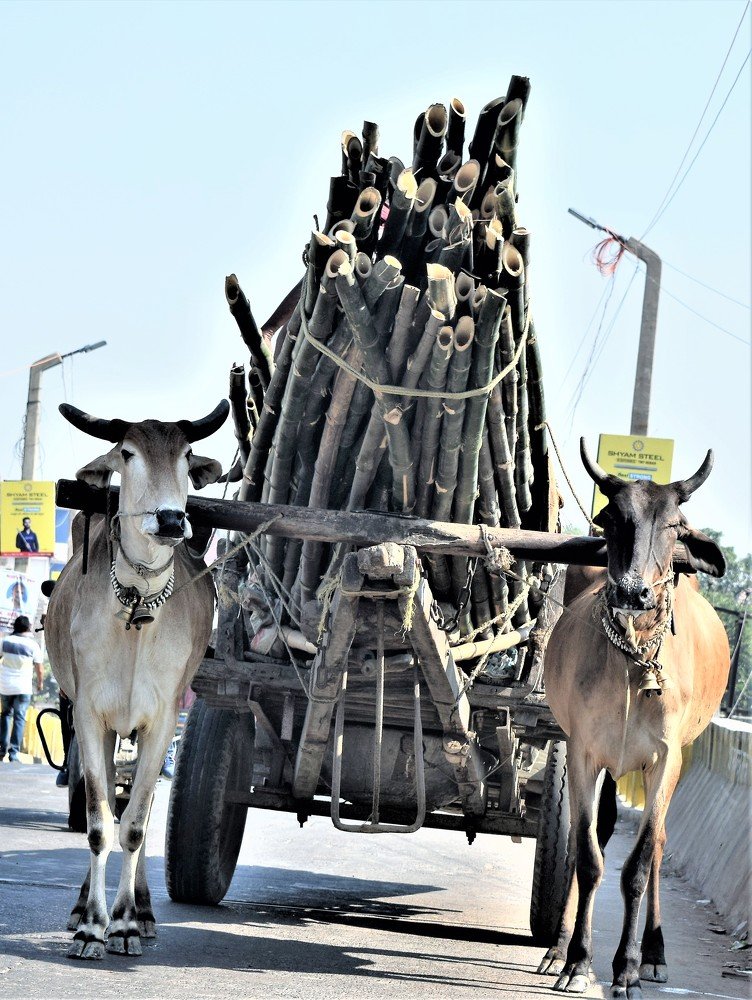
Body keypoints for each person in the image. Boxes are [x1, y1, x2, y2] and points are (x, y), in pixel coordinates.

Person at [0, 615, 44, 763]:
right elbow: (39, 667)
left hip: (5, 686)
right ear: (28, 627)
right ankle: (13, 753)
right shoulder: (32, 645)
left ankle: (2, 749)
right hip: (23, 687)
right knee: (19, 718)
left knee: (6, 715)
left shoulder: (5, 641)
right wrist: (40, 683)